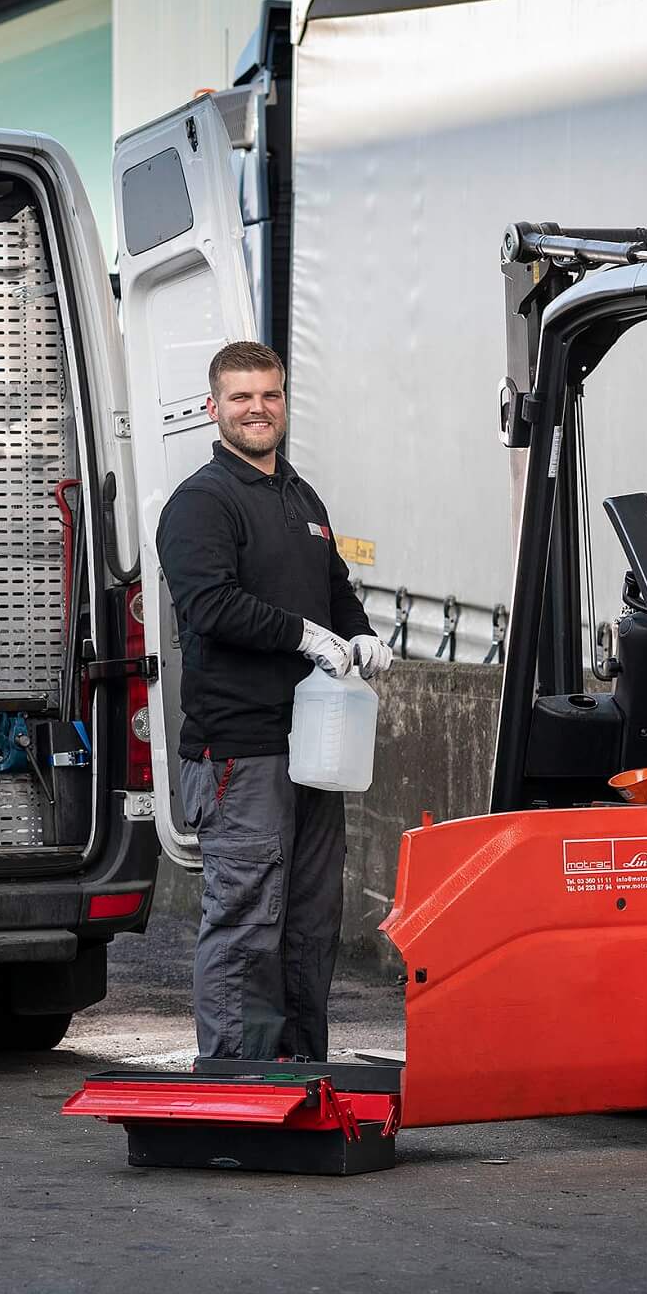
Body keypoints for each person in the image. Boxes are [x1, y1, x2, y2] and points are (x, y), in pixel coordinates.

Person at [155, 340, 391, 1063]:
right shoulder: (201, 503)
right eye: (240, 397)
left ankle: (299, 1072)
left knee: (310, 921)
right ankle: (235, 1080)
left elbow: (334, 590)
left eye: (269, 395)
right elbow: (212, 606)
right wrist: (303, 637)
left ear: (283, 401)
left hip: (315, 746)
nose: (256, 409)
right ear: (213, 408)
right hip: (242, 749)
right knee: (247, 921)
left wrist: (357, 633)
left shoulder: (299, 495)